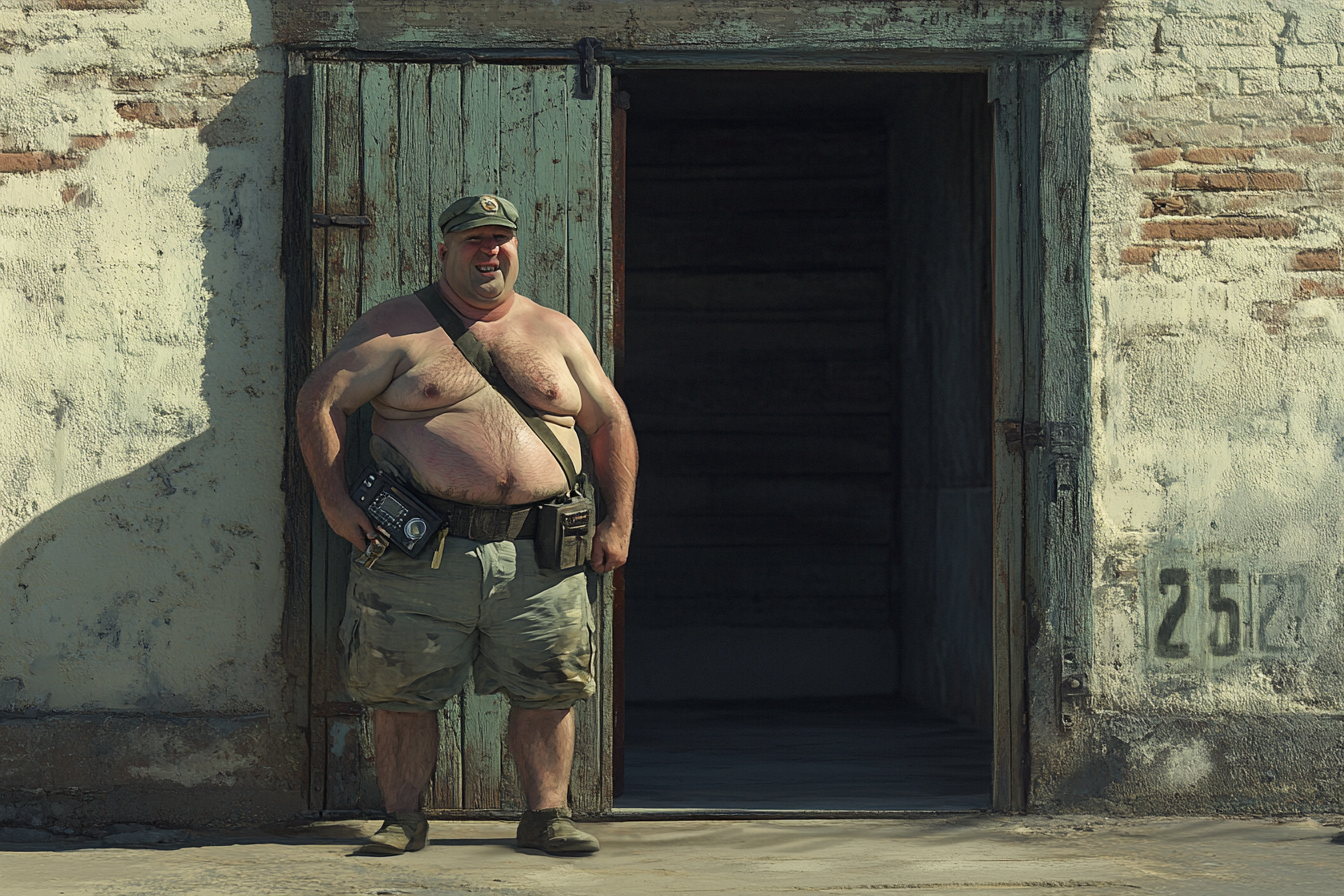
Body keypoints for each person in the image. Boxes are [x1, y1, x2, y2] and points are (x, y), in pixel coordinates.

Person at [296, 194, 636, 857]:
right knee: (402, 692)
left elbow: (610, 422)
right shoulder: (396, 328)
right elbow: (321, 400)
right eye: (473, 240)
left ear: (515, 247)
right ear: (443, 251)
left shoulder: (556, 331)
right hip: (422, 553)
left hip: (542, 554)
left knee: (547, 687)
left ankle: (547, 816)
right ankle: (402, 819)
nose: (490, 250)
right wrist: (336, 503)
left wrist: (619, 518)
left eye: (500, 238)